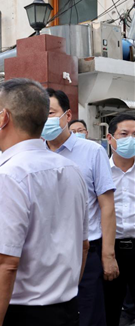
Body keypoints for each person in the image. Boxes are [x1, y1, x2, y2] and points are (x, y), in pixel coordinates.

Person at [0, 78, 89, 326]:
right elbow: (83, 245)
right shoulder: (72, 169)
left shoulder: (10, 175)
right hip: (67, 307)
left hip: (25, 312)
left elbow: (4, 263)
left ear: (4, 118)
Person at [44, 88, 118, 326]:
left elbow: (106, 205)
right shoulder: (33, 153)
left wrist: (108, 255)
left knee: (88, 316)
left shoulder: (92, 151)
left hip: (86, 252)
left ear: (67, 115)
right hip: (45, 254)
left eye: (51, 113)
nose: (45, 119)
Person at [103, 114, 135, 326]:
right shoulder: (101, 171)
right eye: (124, 134)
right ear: (110, 138)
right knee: (109, 309)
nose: (130, 139)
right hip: (109, 249)